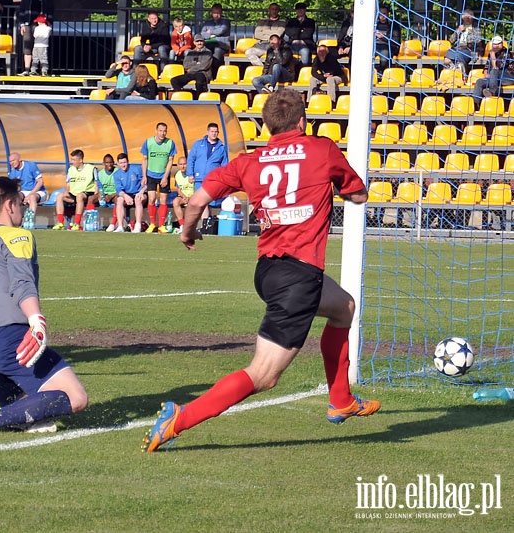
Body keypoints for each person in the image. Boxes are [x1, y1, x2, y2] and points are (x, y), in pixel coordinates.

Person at [142, 89, 379, 452]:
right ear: (302, 121)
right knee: (264, 376)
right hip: (299, 277)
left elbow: (200, 199)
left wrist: (188, 231)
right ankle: (179, 418)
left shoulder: (249, 161)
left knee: (343, 306)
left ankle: (341, 399)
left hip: (268, 271)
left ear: (266, 126)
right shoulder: (321, 148)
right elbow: (359, 195)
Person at [0, 176, 88, 436]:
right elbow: (22, 283)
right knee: (75, 397)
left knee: (27, 411)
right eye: (21, 202)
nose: (24, 208)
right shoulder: (16, 235)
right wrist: (36, 321)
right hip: (8, 340)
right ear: (9, 205)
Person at [186, 122, 229, 224]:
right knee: (202, 203)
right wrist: (190, 174)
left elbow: (224, 165)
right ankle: (205, 223)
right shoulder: (198, 144)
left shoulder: (222, 148)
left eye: (216, 132)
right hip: (199, 179)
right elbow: (191, 159)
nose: (214, 134)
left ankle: (210, 224)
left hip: (212, 180)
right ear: (207, 132)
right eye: (212, 131)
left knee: (209, 202)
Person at [140, 122, 177, 234]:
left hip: (163, 175)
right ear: (156, 131)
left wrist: (166, 177)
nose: (162, 133)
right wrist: (144, 176)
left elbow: (170, 161)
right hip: (151, 175)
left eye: (165, 131)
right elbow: (144, 159)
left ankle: (161, 225)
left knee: (163, 199)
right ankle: (152, 224)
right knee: (151, 198)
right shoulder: (148, 142)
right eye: (160, 130)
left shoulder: (170, 143)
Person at [52, 148, 98, 231]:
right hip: (74, 194)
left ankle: (76, 223)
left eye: (74, 160)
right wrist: (66, 191)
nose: (72, 162)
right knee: (59, 196)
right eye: (71, 159)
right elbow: (68, 184)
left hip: (87, 193)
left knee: (80, 196)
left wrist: (97, 193)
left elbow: (96, 182)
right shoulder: (71, 170)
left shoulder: (91, 168)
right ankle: (60, 223)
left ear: (80, 160)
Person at [18, 0, 54, 76]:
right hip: (28, 22)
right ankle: (27, 69)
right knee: (27, 45)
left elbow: (51, 9)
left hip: (41, 24)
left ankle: (42, 69)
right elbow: (22, 9)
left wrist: (49, 23)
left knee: (41, 46)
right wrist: (22, 25)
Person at [113, 152, 147, 233]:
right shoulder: (116, 174)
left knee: (138, 199)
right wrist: (125, 196)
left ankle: (138, 225)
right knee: (119, 200)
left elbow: (146, 183)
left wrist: (141, 192)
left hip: (140, 193)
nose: (123, 165)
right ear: (118, 163)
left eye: (124, 162)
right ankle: (120, 226)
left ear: (128, 162)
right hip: (127, 195)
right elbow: (119, 190)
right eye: (121, 163)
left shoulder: (137, 169)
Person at [474, 35, 514, 100]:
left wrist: (493, 57)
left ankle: (492, 93)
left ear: (502, 44)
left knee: (493, 71)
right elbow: (486, 66)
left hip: (508, 77)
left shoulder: (506, 53)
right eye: (495, 44)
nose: (497, 46)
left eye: (499, 44)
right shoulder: (491, 53)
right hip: (494, 79)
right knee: (479, 82)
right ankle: (476, 105)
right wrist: (486, 73)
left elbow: (496, 68)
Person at [444, 9, 480, 73]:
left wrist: (466, 46)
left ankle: (460, 72)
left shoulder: (476, 28)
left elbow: (478, 41)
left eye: (469, 17)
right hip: (457, 48)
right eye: (465, 18)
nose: (467, 19)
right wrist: (458, 32)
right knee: (446, 59)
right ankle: (456, 69)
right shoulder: (460, 27)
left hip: (469, 50)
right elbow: (451, 40)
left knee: (458, 55)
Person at [285, 2, 317, 67]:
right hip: (292, 44)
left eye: (302, 9)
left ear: (305, 10)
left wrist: (295, 35)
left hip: (306, 44)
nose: (300, 11)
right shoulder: (291, 21)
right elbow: (288, 32)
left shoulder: (310, 21)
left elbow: (308, 34)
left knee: (305, 53)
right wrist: (300, 30)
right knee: (285, 53)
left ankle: (303, 70)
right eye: (298, 9)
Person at [199, 3, 231, 68]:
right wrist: (210, 36)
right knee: (203, 52)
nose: (216, 15)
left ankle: (215, 73)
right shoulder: (208, 21)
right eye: (214, 13)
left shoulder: (226, 21)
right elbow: (202, 33)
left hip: (221, 44)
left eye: (218, 13)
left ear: (221, 12)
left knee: (217, 54)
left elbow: (221, 30)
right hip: (209, 42)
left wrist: (210, 32)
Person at [171, 156, 194, 233]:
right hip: (184, 197)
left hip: (194, 197)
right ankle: (182, 225)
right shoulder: (177, 175)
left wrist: (190, 198)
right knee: (175, 201)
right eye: (180, 164)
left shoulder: (192, 173)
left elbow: (198, 189)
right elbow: (179, 189)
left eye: (184, 164)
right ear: (178, 165)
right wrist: (184, 197)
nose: (182, 166)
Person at [98, 153, 120, 231]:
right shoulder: (100, 174)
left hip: (115, 194)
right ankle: (89, 223)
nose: (109, 164)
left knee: (119, 200)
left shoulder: (118, 172)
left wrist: (111, 196)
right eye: (107, 162)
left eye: (110, 162)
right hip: (105, 194)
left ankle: (113, 224)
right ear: (103, 163)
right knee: (91, 199)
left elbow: (120, 189)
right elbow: (100, 187)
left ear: (113, 162)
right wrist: (102, 196)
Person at [374, 5, 399, 75]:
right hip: (375, 46)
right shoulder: (374, 24)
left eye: (384, 13)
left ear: (388, 14)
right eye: (380, 14)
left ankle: (382, 74)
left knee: (384, 59)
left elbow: (395, 40)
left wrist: (382, 37)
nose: (382, 16)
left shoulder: (393, 25)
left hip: (387, 46)